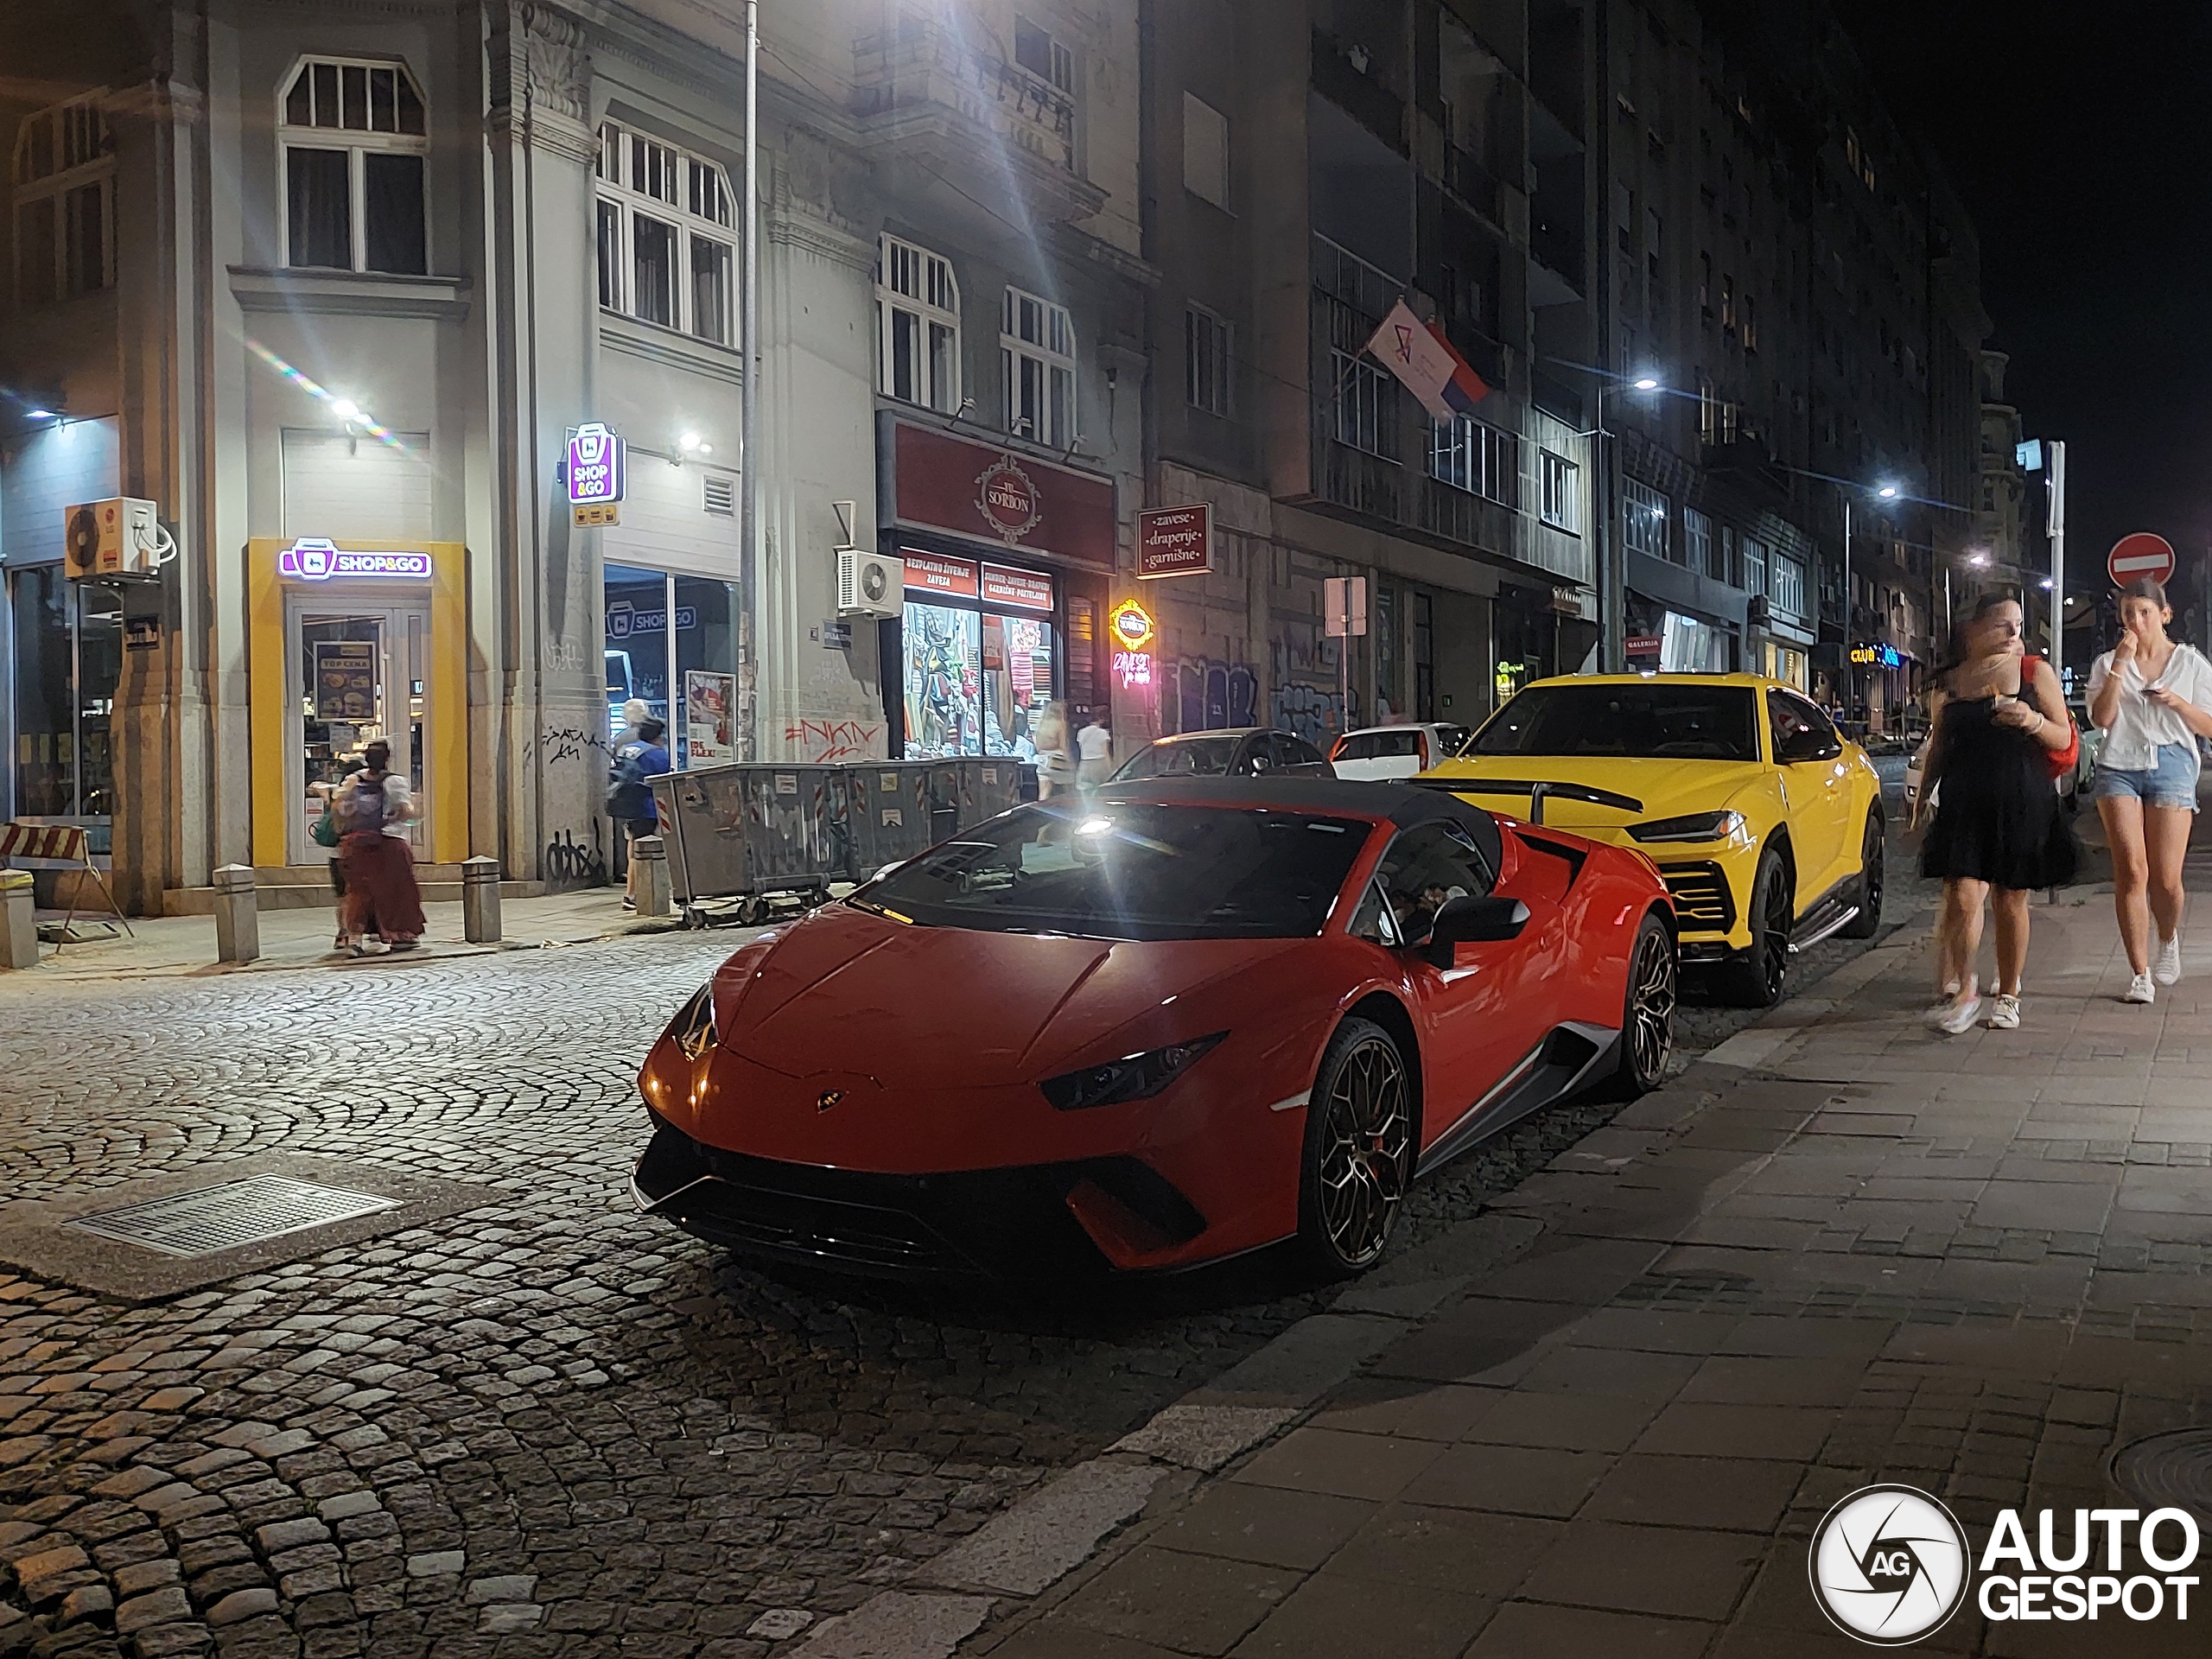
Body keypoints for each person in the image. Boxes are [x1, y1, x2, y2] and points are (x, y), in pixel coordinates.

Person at [1914, 594, 2079, 1033]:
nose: (2013, 634)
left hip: (2020, 797)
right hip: (1965, 801)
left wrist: (2030, 721)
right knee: (1964, 896)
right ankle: (1966, 990)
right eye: (2002, 625)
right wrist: (1917, 803)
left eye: (2018, 624)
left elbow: (2063, 736)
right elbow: (1939, 746)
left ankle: (2008, 993)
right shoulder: (1950, 682)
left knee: (2010, 899)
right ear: (1973, 629)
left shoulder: (2033, 672)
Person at [2087, 577, 2212, 1003]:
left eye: (2145, 612)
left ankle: (2168, 936)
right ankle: (2140, 973)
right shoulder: (2107, 663)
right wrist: (2120, 664)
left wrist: (2177, 703)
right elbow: (2102, 719)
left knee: (2167, 878)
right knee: (2132, 872)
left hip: (2174, 763)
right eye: (2128, 614)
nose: (2137, 622)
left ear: (2165, 615)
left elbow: (2209, 725)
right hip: (2118, 764)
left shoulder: (2191, 664)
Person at [334, 741, 425, 955]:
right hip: (389, 841)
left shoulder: (352, 780)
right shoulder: (395, 782)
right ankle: (401, 936)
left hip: (357, 843)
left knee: (358, 891)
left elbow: (339, 807)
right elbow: (405, 811)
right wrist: (414, 811)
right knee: (397, 891)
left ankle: (353, 937)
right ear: (387, 758)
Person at [608, 718, 673, 910]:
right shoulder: (656, 754)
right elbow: (663, 778)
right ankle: (634, 895)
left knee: (633, 848)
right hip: (647, 807)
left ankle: (631, 892)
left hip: (626, 805)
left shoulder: (628, 749)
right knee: (644, 850)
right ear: (657, 737)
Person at [1033, 700, 1072, 800]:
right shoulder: (1060, 724)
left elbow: (1037, 746)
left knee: (1043, 794)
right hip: (1057, 760)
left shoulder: (1041, 724)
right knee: (1069, 788)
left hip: (1042, 760)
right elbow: (1063, 745)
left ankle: (1041, 813)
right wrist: (1070, 762)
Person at [1075, 712, 1114, 795]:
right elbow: (1105, 752)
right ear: (1101, 720)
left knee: (1084, 790)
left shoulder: (1081, 732)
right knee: (1102, 789)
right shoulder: (1102, 733)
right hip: (1099, 763)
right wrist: (1110, 767)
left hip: (1084, 763)